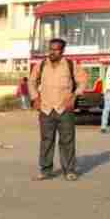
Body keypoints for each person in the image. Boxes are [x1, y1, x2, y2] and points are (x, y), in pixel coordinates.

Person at [30, 38, 82, 180]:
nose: (52, 52)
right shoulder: (41, 65)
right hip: (46, 109)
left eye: (56, 49)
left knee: (67, 140)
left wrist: (74, 96)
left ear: (62, 51)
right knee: (46, 140)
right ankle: (46, 170)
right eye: (50, 49)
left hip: (64, 108)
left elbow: (83, 81)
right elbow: (32, 81)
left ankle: (69, 170)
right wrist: (35, 98)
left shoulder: (71, 65)